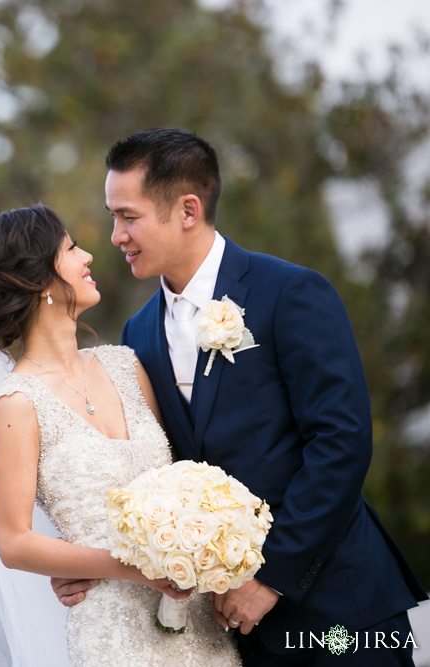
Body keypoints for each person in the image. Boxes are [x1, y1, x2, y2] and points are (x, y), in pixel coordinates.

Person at [53, 128, 427, 666]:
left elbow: (341, 443)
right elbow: (157, 471)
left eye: (127, 216)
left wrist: (272, 577)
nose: (115, 236)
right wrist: (93, 563)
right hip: (235, 634)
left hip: (339, 609)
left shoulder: (290, 293)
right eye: (113, 216)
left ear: (187, 209)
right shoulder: (138, 335)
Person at [0, 204, 241, 666]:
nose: (88, 257)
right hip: (114, 633)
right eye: (71, 248)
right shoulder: (17, 405)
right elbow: (14, 541)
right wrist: (131, 567)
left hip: (196, 616)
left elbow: (185, 473)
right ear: (38, 281)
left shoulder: (126, 364)